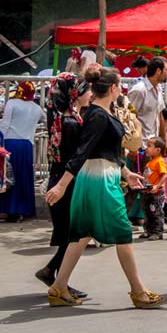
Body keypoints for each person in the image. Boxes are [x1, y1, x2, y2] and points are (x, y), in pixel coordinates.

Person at [43, 67, 162, 308]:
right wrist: (62, 186)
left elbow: (104, 152)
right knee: (122, 233)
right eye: (120, 85)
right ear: (113, 88)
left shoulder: (99, 112)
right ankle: (138, 291)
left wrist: (126, 173)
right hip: (100, 181)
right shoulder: (97, 114)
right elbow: (83, 152)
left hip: (97, 177)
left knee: (82, 234)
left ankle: (59, 287)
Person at [35, 74, 91, 297]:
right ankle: (57, 280)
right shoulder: (69, 123)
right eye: (85, 90)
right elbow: (75, 157)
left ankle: (52, 274)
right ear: (73, 93)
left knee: (72, 234)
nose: (89, 94)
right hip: (66, 185)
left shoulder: (64, 118)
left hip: (61, 181)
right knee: (74, 235)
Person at [0, 81, 44, 220]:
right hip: (26, 146)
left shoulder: (12, 104)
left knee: (7, 175)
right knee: (22, 177)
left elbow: (5, 125)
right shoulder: (37, 108)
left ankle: (6, 208)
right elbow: (46, 121)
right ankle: (21, 209)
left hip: (9, 143)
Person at [128, 57, 167, 141]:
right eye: (166, 70)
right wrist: (132, 147)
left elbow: (159, 115)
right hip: (140, 145)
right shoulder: (139, 90)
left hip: (153, 144)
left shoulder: (158, 88)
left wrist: (164, 140)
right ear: (158, 71)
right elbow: (129, 118)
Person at [139, 137, 167, 240]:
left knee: (156, 212)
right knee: (147, 212)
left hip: (156, 193)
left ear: (158, 150)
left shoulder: (159, 161)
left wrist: (157, 186)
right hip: (147, 192)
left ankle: (158, 232)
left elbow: (164, 175)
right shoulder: (150, 162)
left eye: (149, 146)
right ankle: (148, 230)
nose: (146, 148)